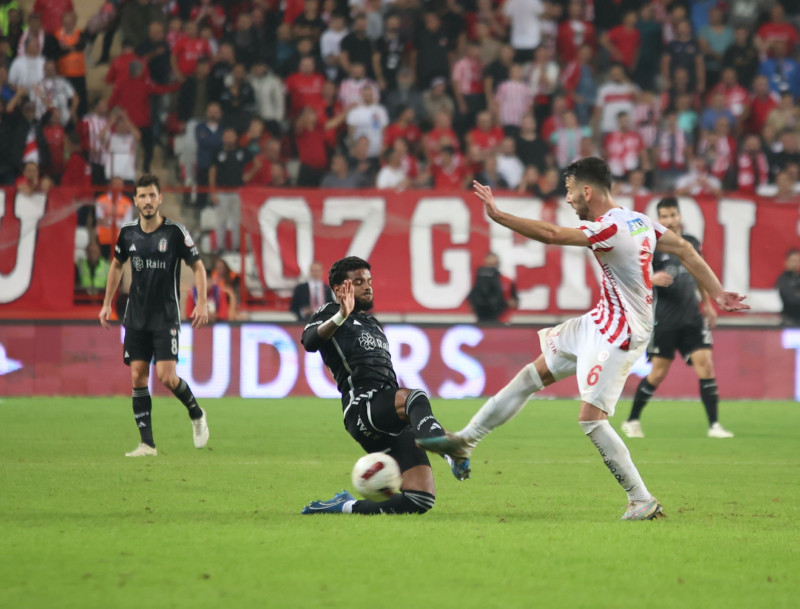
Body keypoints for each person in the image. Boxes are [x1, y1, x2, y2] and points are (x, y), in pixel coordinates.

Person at [416, 158, 748, 520]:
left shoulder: (609, 229)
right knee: (532, 375)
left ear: (587, 191)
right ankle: (466, 441)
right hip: (599, 320)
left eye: (571, 192)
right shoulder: (638, 220)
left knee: (591, 418)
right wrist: (717, 293)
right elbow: (684, 248)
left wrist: (499, 216)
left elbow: (552, 235)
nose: (569, 200)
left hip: (621, 330)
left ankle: (642, 500)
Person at [300, 256, 467, 515]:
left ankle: (343, 506)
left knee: (420, 499)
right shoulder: (329, 314)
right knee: (414, 397)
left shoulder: (372, 323)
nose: (367, 286)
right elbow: (309, 341)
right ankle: (442, 447)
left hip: (386, 412)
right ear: (339, 290)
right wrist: (341, 315)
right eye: (358, 282)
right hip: (363, 407)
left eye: (369, 281)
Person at [99, 174, 210, 457]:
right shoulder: (127, 234)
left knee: (166, 376)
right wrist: (106, 303)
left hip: (165, 316)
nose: (147, 201)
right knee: (137, 376)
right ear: (135, 200)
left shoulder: (174, 233)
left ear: (160, 199)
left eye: (152, 195)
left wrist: (202, 303)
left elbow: (198, 267)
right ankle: (147, 444)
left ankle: (196, 413)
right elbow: (116, 266)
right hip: (135, 316)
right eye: (142, 196)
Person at [621, 198, 735, 440]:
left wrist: (707, 304)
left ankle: (714, 425)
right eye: (664, 216)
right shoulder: (651, 245)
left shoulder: (691, 243)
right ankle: (632, 420)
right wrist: (652, 280)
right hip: (665, 320)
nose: (669, 221)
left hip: (692, 317)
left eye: (673, 215)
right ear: (658, 219)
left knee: (705, 365)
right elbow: (632, 278)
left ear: (679, 216)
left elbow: (698, 274)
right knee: (658, 373)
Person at [468, 252, 517, 322]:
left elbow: (514, 299)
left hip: (502, 317)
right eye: (489, 265)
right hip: (482, 317)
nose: (491, 269)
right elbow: (474, 296)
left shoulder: (506, 280)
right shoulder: (479, 280)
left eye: (494, 265)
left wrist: (508, 302)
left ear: (498, 264)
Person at [777, 249, 800, 326]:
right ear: (786, 262)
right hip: (789, 321)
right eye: (792, 260)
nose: (795, 263)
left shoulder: (798, 278)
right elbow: (791, 299)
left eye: (797, 260)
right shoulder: (783, 279)